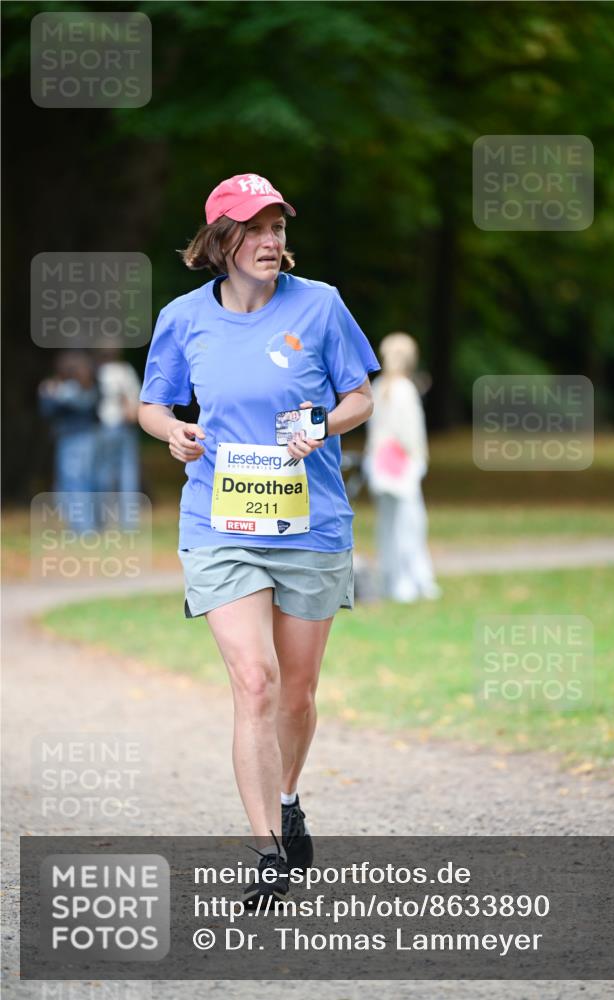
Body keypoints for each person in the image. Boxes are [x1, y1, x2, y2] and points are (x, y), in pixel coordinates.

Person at [138, 172, 380, 907]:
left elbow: (361, 396)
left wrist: (322, 424)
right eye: (255, 229)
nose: (271, 241)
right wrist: (173, 431)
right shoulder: (183, 318)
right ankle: (270, 849)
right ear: (221, 241)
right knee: (255, 681)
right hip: (220, 524)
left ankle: (288, 797)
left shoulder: (321, 305)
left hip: (311, 522)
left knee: (297, 694)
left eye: (278, 227)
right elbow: (153, 404)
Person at [363, 332, 440, 602]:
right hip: (401, 468)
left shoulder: (378, 385)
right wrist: (419, 460)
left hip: (379, 466)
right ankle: (413, 582)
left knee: (387, 526)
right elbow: (410, 435)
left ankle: (391, 580)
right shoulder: (405, 389)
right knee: (410, 525)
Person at [37, 350, 100, 533]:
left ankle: (83, 527)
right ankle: (85, 524)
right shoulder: (91, 388)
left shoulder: (67, 390)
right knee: (85, 481)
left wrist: (47, 393)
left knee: (74, 482)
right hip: (89, 438)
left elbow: (48, 410)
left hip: (72, 440)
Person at [94, 344, 142, 528]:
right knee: (128, 471)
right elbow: (135, 398)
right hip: (124, 425)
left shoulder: (96, 371)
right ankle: (129, 521)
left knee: (103, 471)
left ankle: (103, 518)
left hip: (103, 426)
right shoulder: (125, 370)